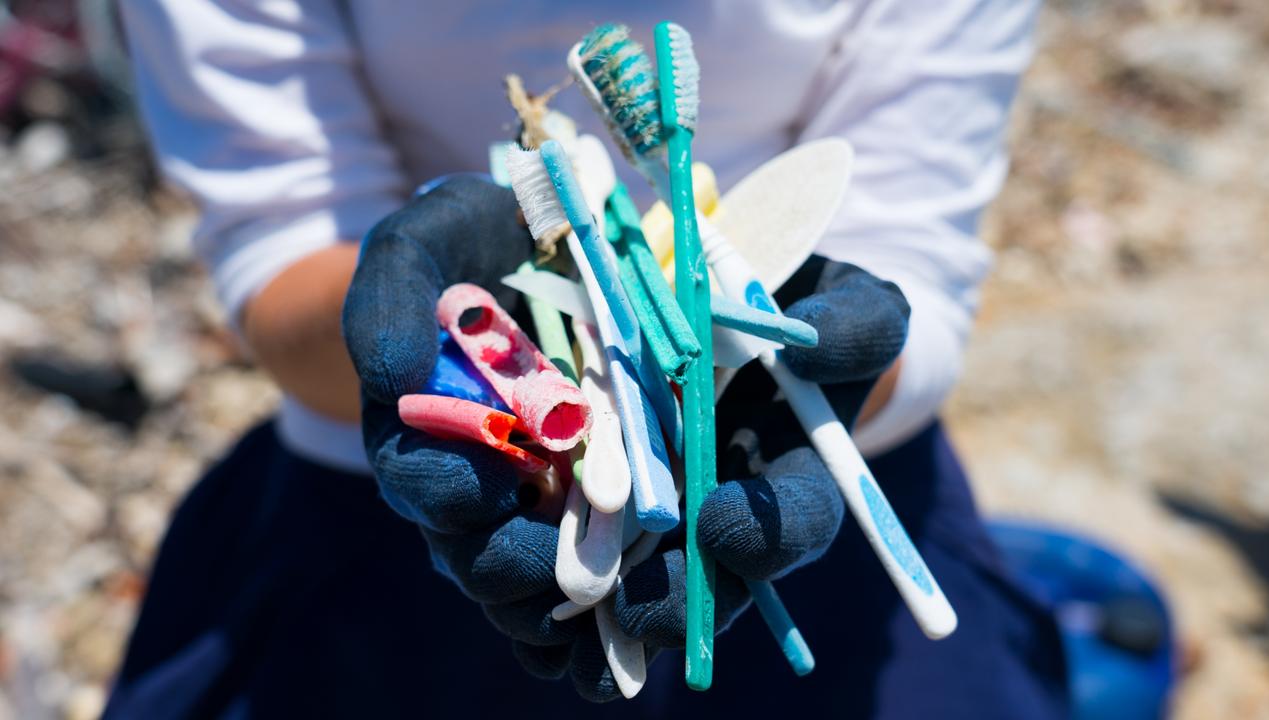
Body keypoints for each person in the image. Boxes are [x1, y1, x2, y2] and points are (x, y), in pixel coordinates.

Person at [105, 1, 1068, 717]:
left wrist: (838, 361)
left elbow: (917, 255)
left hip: (809, 486)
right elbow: (275, 237)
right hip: (384, 503)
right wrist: (402, 326)